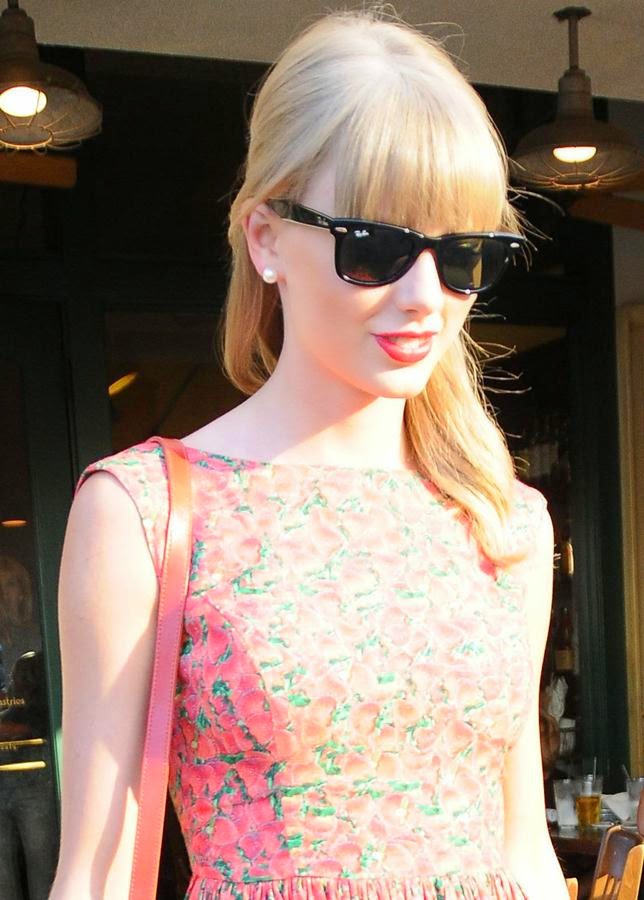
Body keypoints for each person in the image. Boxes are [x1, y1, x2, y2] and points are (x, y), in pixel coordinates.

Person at [51, 9, 569, 899]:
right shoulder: (145, 510)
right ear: (266, 238)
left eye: (463, 256)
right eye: (376, 247)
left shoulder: (501, 521)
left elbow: (525, 852)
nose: (426, 296)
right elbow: (94, 874)